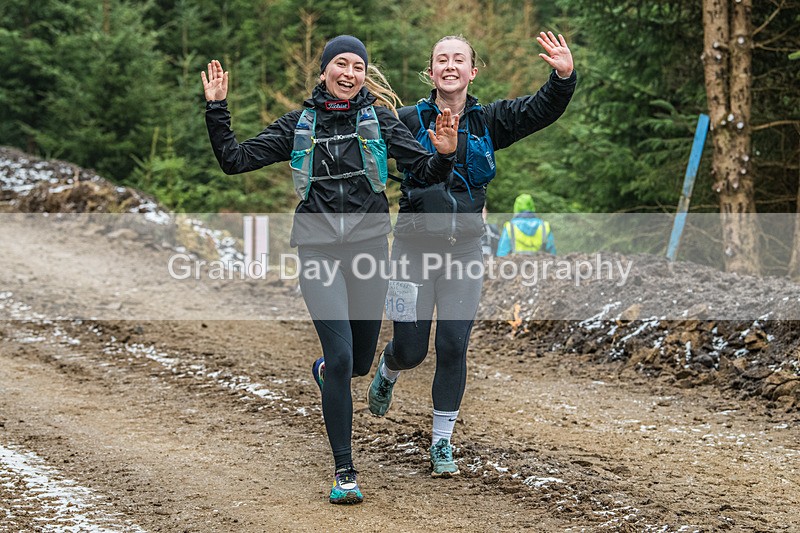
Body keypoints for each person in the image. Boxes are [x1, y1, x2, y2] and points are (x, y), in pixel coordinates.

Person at [201, 35, 458, 504]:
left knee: (357, 363)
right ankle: (345, 471)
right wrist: (217, 109)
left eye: (358, 66)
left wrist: (443, 155)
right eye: (340, 63)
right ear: (324, 71)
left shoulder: (378, 119)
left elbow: (424, 172)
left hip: (368, 251)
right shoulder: (299, 124)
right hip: (317, 250)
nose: (349, 73)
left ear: (364, 75)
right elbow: (234, 161)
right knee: (340, 359)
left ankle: (328, 371)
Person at [367, 32, 576, 477]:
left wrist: (563, 78)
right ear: (430, 72)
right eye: (441, 59)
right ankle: (388, 368)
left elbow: (539, 110)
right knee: (411, 349)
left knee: (452, 345)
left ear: (472, 71)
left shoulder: (489, 121)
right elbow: (361, 144)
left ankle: (441, 442)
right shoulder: (406, 121)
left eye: (458, 59)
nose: (450, 66)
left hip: (464, 252)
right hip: (411, 250)